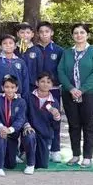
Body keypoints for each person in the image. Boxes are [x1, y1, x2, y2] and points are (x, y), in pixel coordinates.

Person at [57, 23, 93, 168]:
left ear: (87, 35)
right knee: (73, 125)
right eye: (76, 33)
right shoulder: (67, 53)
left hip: (90, 94)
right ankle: (75, 155)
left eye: (82, 32)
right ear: (72, 36)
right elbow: (60, 71)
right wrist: (71, 88)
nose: (79, 35)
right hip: (69, 93)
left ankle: (88, 157)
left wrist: (82, 89)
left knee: (88, 125)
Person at [0, 75, 36, 176]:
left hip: (13, 132)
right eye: (6, 87)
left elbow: (20, 119)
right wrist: (1, 127)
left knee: (10, 164)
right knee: (1, 136)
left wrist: (10, 130)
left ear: (16, 88)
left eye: (12, 87)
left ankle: (30, 165)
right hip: (1, 131)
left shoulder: (21, 102)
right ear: (2, 88)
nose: (9, 90)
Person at [37, 21, 64, 162]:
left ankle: (55, 149)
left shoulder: (59, 50)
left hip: (53, 90)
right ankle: (28, 149)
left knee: (55, 118)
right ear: (38, 34)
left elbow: (62, 70)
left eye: (47, 31)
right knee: (35, 118)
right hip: (36, 91)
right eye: (41, 32)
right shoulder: (33, 49)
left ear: (51, 33)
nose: (44, 34)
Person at [26, 72, 62, 170]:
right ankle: (27, 156)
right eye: (42, 81)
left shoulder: (54, 102)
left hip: (45, 134)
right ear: (36, 83)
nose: (45, 84)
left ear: (52, 85)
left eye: (48, 82)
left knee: (42, 164)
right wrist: (27, 126)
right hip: (31, 131)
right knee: (29, 137)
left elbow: (55, 126)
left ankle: (44, 151)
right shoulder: (28, 97)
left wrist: (56, 117)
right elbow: (23, 115)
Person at [0, 34, 30, 99]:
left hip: (17, 96)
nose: (8, 45)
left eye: (10, 43)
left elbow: (25, 80)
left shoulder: (21, 62)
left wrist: (24, 97)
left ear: (15, 46)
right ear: (1, 47)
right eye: (5, 43)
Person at [16, 22, 43, 94]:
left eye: (28, 33)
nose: (25, 35)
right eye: (22, 32)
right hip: (15, 85)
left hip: (32, 84)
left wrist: (38, 81)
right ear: (18, 34)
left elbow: (40, 68)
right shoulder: (13, 49)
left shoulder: (37, 50)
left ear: (32, 34)